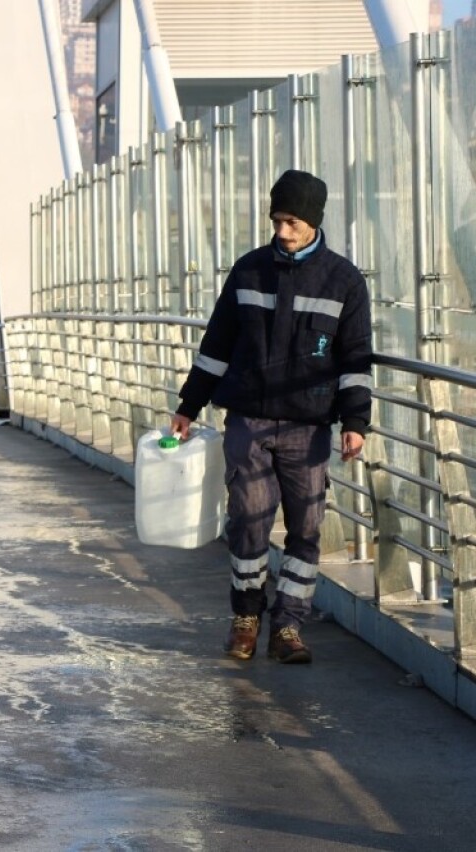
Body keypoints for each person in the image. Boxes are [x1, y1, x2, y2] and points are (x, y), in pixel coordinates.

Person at [170, 169, 372, 665]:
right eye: (277, 221)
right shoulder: (248, 270)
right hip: (249, 420)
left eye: (292, 223)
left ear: (314, 222)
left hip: (309, 426)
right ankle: (245, 619)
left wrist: (355, 422)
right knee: (248, 524)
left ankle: (288, 627)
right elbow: (216, 345)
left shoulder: (344, 280)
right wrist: (188, 405)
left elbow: (356, 359)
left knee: (305, 528)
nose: (282, 232)